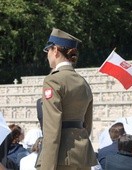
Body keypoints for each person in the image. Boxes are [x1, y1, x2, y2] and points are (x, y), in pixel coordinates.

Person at [35, 28, 97, 170]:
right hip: (83, 155)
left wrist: (47, 167)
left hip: (61, 158)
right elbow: (87, 124)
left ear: (55, 50)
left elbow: (52, 129)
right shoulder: (83, 82)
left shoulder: (53, 80)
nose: (47, 55)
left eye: (48, 51)